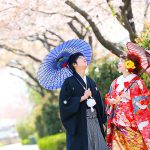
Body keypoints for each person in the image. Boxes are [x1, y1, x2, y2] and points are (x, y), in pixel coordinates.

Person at [59, 52, 108, 150]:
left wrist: (102, 121)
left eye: (84, 57)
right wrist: (82, 98)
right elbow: (64, 104)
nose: (84, 58)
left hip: (95, 120)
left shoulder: (91, 81)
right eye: (81, 58)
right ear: (74, 64)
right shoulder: (68, 82)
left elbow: (99, 101)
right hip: (80, 123)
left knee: (99, 146)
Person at [105, 53, 150, 150]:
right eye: (119, 61)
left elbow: (146, 98)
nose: (119, 63)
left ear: (129, 64)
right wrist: (111, 101)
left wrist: (131, 97)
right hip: (117, 124)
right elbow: (108, 96)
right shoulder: (116, 81)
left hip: (132, 125)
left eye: (121, 61)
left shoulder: (137, 81)